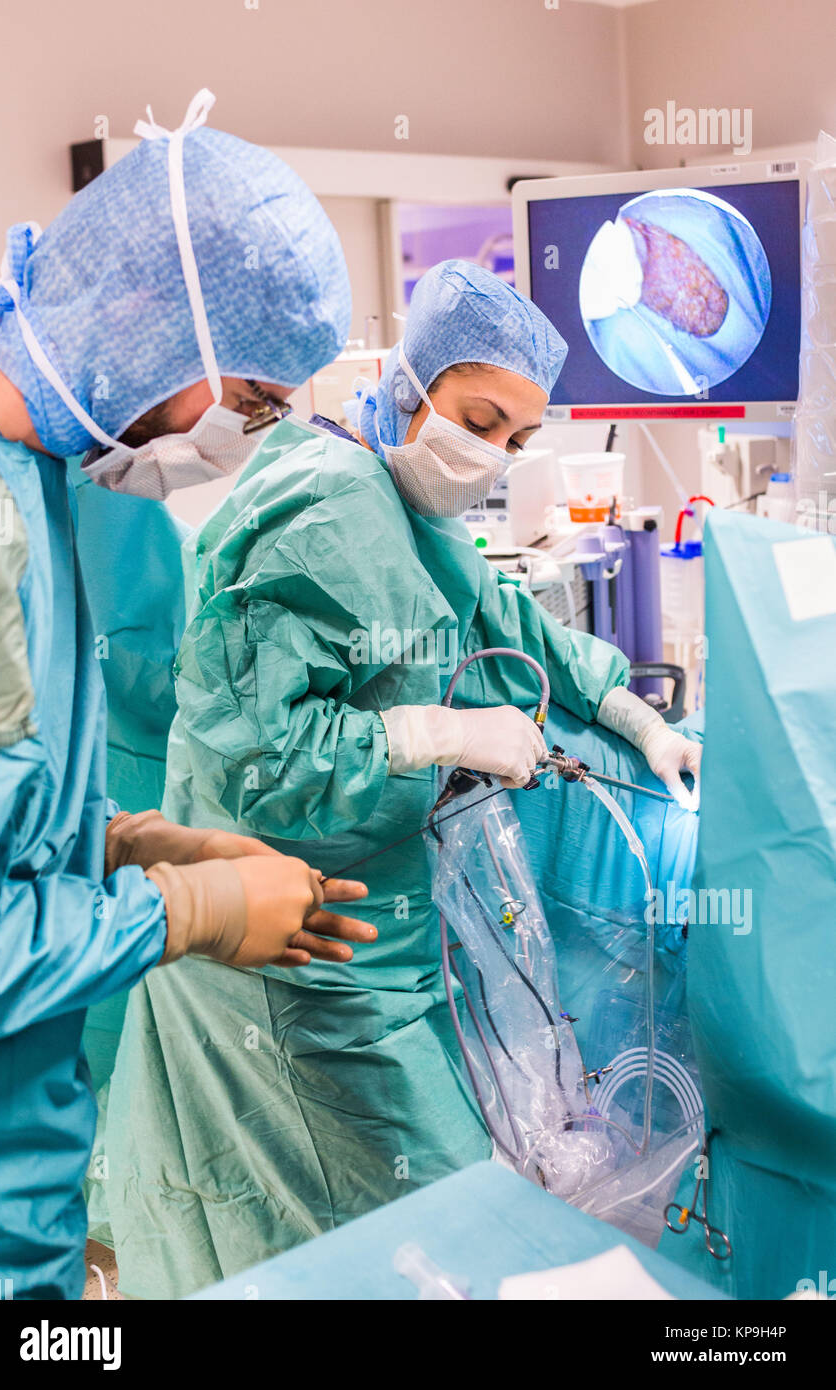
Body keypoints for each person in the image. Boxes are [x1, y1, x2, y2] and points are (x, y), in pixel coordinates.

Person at [99, 258, 702, 1297]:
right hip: (288, 959)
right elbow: (260, 766)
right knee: (388, 1239)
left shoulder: (399, 501)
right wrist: (435, 735)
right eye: (478, 417)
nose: (493, 453)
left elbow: (501, 617)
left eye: (517, 437)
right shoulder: (325, 507)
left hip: (369, 944)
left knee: (393, 1234)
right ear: (409, 382)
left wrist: (628, 711)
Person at [0, 89, 377, 1301]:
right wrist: (177, 913)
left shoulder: (42, 480)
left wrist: (120, 845)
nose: (251, 438)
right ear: (151, 321)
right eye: (250, 403)